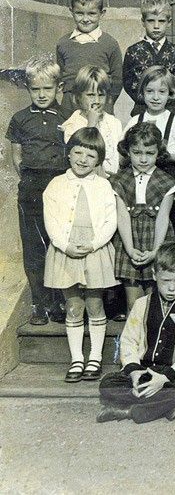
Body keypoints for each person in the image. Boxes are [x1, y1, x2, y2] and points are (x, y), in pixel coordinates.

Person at [96, 242, 175, 423]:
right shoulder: (141, 304)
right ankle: (164, 405)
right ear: (154, 275)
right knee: (107, 384)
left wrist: (164, 378)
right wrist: (133, 371)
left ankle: (130, 410)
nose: (171, 288)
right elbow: (129, 340)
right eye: (166, 281)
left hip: (171, 374)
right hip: (144, 368)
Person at [43, 127, 118, 383]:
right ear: (69, 153)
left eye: (90, 155)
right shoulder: (57, 185)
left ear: (98, 159)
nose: (82, 159)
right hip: (67, 249)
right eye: (78, 152)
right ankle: (77, 358)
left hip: (94, 249)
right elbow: (50, 219)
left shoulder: (104, 185)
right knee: (74, 305)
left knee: (95, 304)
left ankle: (95, 357)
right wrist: (64, 245)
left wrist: (95, 243)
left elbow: (111, 220)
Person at [6, 57, 70, 324]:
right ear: (28, 89)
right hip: (32, 186)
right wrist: (32, 179)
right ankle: (39, 305)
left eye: (47, 89)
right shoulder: (20, 119)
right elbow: (17, 158)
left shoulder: (67, 117)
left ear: (58, 88)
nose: (42, 95)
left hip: (60, 185)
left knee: (58, 243)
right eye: (36, 89)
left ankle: (59, 304)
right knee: (34, 247)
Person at [112, 122, 175, 313]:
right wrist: (130, 249)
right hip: (129, 240)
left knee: (154, 299)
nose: (143, 159)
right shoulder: (119, 180)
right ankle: (134, 341)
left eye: (149, 153)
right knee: (134, 302)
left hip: (156, 240)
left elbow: (163, 217)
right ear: (128, 151)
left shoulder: (166, 181)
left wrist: (156, 250)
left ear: (159, 152)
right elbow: (122, 216)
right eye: (137, 152)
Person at [56, 0, 123, 116]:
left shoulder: (110, 43)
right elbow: (61, 75)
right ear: (72, 12)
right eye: (80, 13)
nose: (85, 19)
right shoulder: (63, 43)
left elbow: (117, 80)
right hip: (70, 105)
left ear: (101, 13)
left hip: (100, 103)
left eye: (91, 13)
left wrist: (106, 102)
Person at [122, 0, 175, 117]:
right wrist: (145, 101)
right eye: (151, 21)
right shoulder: (133, 52)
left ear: (169, 22)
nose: (156, 26)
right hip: (141, 110)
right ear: (143, 21)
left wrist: (166, 102)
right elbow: (128, 83)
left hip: (169, 111)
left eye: (161, 21)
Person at [122, 65, 175, 178]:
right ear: (142, 93)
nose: (155, 97)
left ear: (170, 94)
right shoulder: (135, 121)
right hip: (138, 174)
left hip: (166, 175)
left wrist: (167, 156)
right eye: (150, 91)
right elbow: (123, 153)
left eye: (162, 92)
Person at [62, 65, 124, 177]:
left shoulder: (114, 123)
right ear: (78, 97)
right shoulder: (72, 124)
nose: (96, 101)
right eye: (90, 95)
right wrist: (92, 125)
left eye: (101, 95)